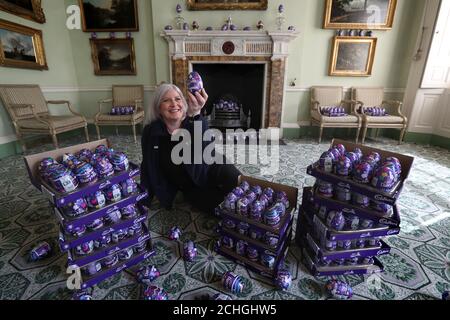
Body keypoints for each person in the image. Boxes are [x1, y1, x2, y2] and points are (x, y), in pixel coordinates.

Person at [140, 83, 241, 213]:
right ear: (158, 108)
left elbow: (206, 152)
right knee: (223, 209)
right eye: (166, 100)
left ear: (184, 103)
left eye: (178, 99)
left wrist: (197, 113)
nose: (174, 104)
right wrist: (144, 200)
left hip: (212, 166)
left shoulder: (193, 121)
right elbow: (148, 166)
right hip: (191, 184)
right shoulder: (151, 132)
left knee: (241, 186)